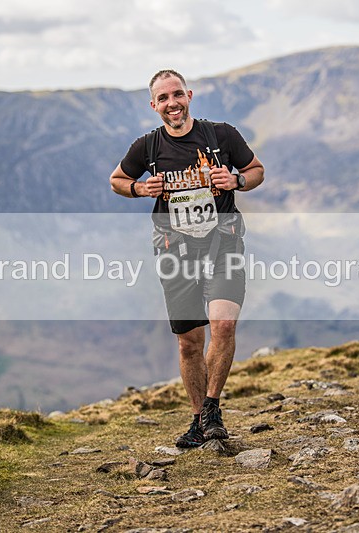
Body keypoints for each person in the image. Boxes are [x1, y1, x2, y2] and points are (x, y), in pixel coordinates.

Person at [110, 69, 265, 447]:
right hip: (174, 251)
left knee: (223, 326)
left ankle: (213, 410)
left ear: (189, 95)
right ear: (153, 106)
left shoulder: (221, 136)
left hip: (223, 243)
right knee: (189, 342)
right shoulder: (147, 147)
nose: (171, 103)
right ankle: (198, 421)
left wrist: (237, 181)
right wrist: (139, 187)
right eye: (163, 98)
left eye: (177, 94)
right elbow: (116, 180)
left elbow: (256, 170)